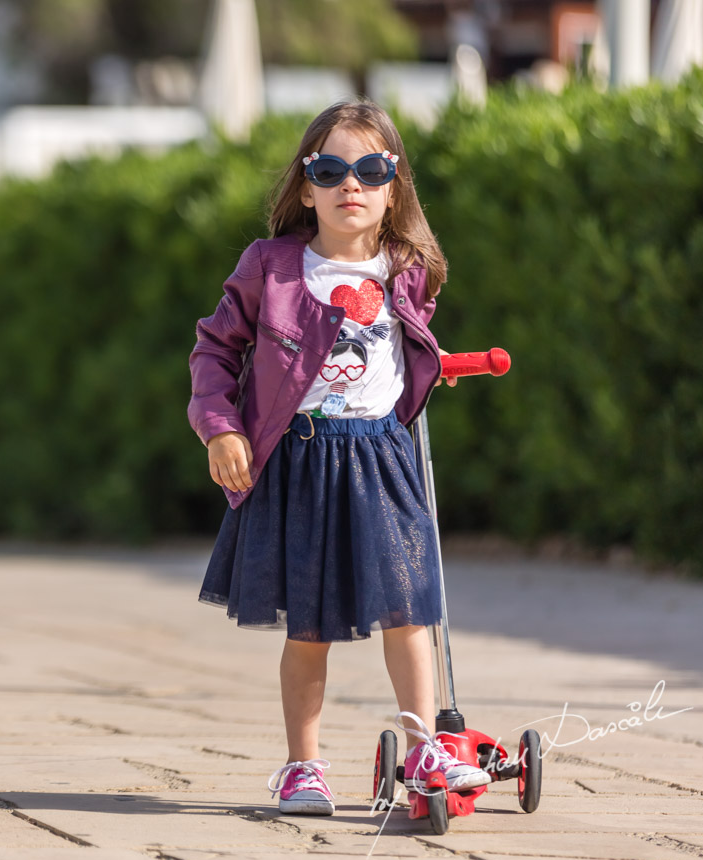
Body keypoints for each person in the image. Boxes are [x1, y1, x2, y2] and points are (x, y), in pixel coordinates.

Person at [186, 100, 487, 816]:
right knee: (311, 627)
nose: (350, 184)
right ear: (305, 185)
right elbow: (215, 351)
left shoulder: (408, 268)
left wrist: (430, 365)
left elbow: (409, 342)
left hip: (382, 456)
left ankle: (423, 747)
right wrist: (220, 428)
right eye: (331, 169)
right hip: (303, 460)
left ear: (394, 186)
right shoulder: (273, 267)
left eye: (371, 168)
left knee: (410, 609)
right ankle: (303, 766)